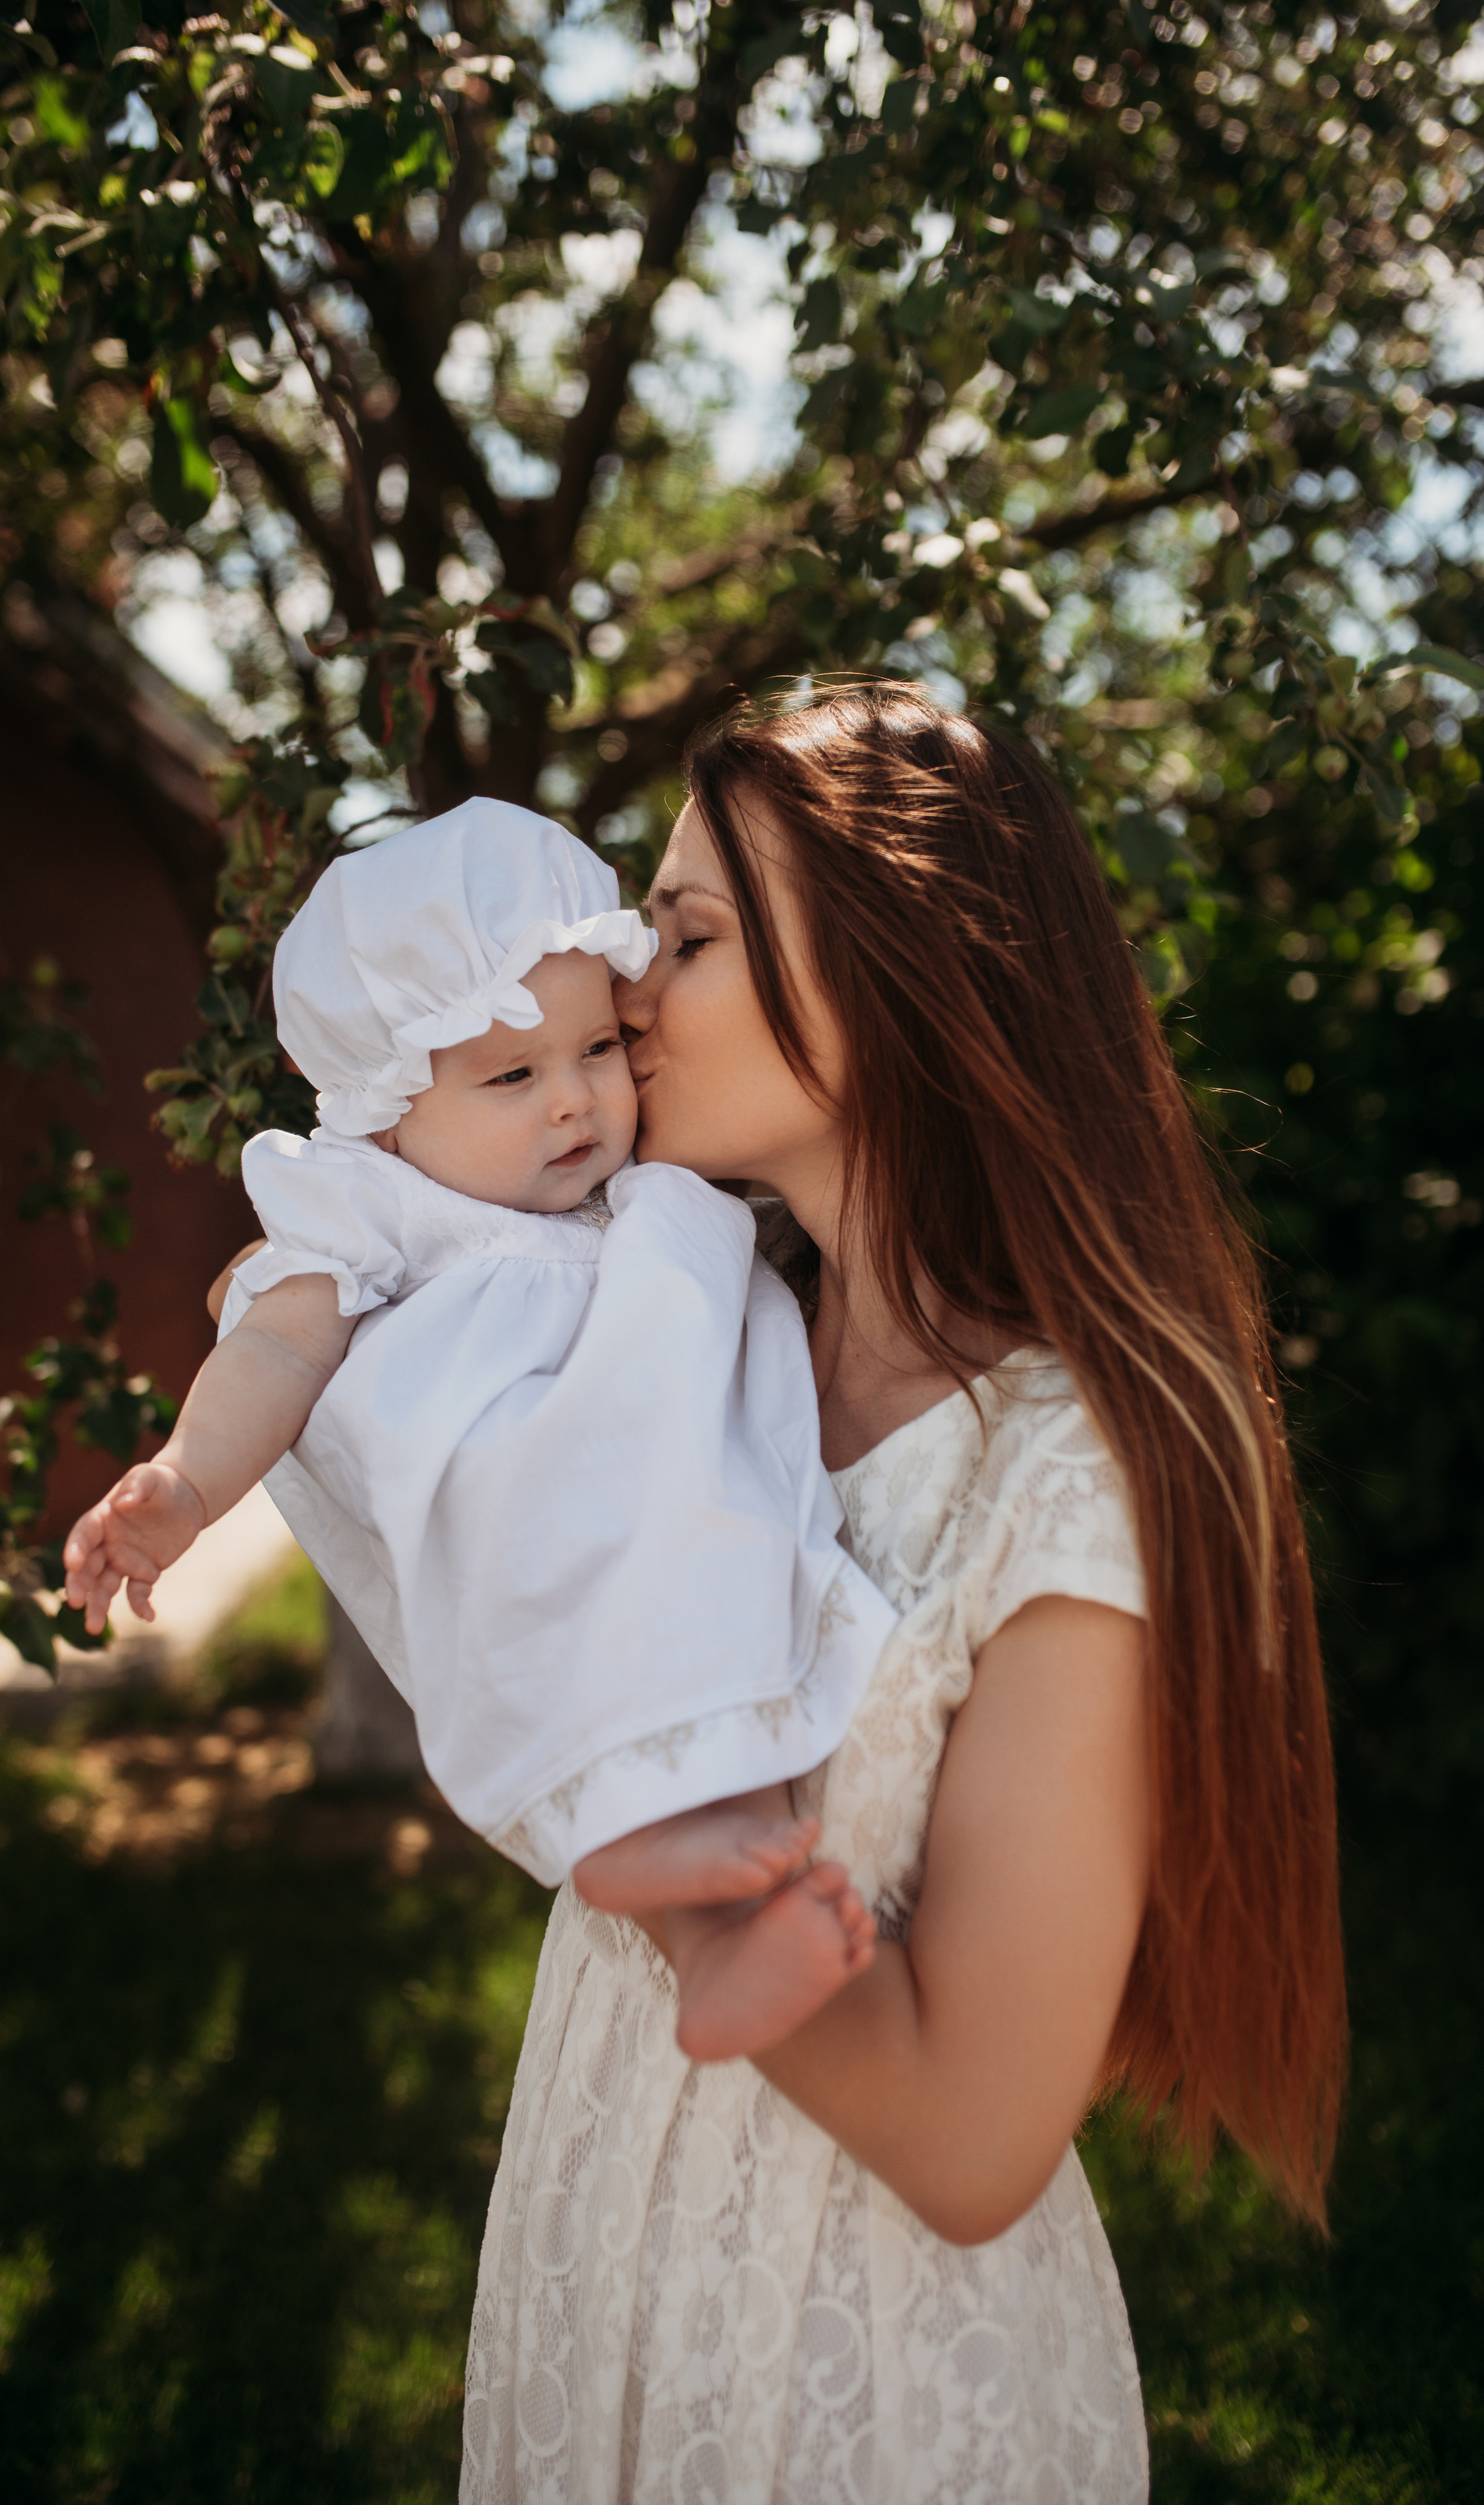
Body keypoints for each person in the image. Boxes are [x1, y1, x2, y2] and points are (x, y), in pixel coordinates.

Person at [459, 685, 1347, 2502]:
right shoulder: (698, 1350)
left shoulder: (1066, 1481)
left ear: (901, 972)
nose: (629, 986)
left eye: (691, 935)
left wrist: (670, 1866)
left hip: (843, 2364)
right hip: (600, 2240)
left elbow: (969, 2135)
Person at [63, 800, 897, 2063]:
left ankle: (736, 1917)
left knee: (741, 1633)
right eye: (511, 1076)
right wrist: (185, 1480)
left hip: (692, 1505)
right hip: (541, 1526)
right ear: (391, 1107)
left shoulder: (642, 1199)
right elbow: (279, 1345)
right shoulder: (378, 1208)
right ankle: (692, 1904)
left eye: (598, 1053)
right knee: (618, 1668)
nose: (574, 1103)